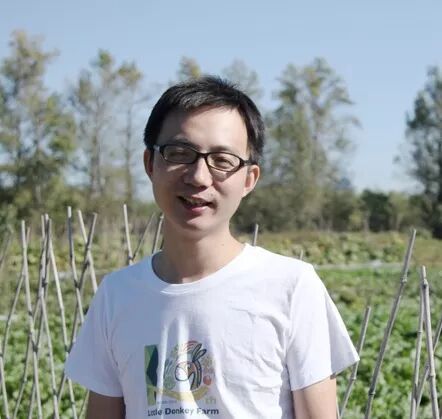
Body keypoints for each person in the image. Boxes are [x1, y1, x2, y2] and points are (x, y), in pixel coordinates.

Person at [65, 76, 359, 419]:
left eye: (222, 160)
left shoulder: (292, 287)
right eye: (180, 154)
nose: (199, 177)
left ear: (249, 179)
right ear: (150, 164)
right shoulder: (116, 295)